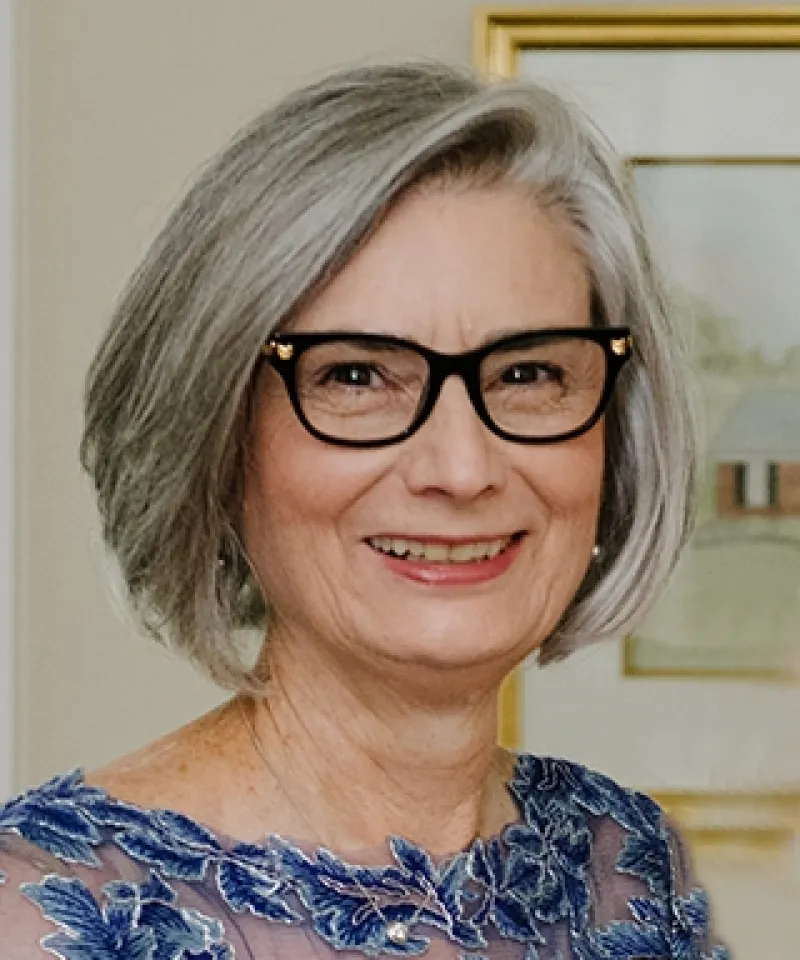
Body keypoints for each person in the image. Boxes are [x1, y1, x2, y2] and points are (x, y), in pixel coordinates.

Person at [0, 61, 728, 958]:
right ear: (216, 436)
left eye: (529, 372)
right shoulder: (37, 915)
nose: (462, 468)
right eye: (356, 375)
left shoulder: (629, 872)